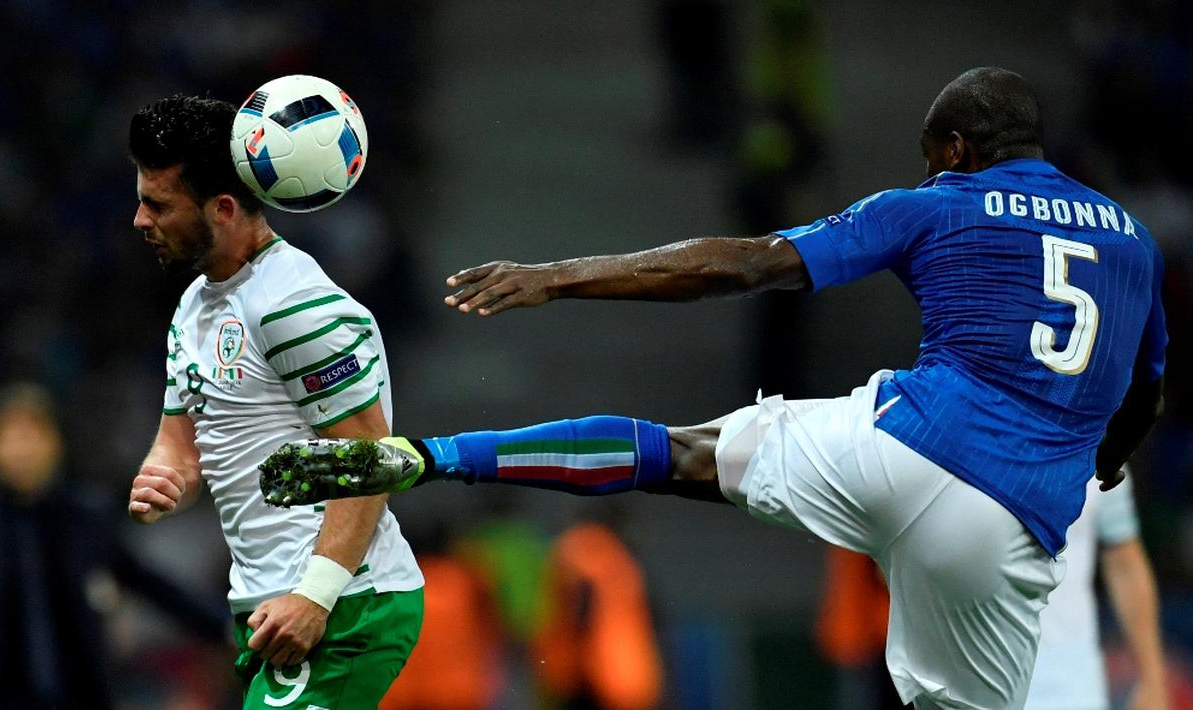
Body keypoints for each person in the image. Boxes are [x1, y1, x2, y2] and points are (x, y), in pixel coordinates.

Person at [258, 67, 1167, 709]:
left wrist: (558, 275)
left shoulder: (936, 202)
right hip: (1014, 520)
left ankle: (433, 455)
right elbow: (1140, 395)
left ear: (956, 148)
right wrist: (1107, 466)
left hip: (909, 443)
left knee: (681, 452)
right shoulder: (1134, 244)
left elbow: (745, 266)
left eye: (933, 157)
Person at [126, 94, 424, 709]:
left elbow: (371, 458)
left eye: (158, 204)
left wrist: (315, 597)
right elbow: (181, 442)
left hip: (343, 604)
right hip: (268, 604)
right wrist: (164, 477)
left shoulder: (293, 304)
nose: (139, 219)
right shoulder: (193, 306)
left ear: (225, 208)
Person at [0, 383, 229, 710]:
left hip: (77, 695)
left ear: (57, 443)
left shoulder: (84, 517)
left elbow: (151, 583)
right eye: (13, 436)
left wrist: (226, 626)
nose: (25, 448)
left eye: (36, 434)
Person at [1024, 472, 1169, 710]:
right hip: (973, 670)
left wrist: (1152, 679)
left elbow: (1124, 562)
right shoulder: (959, 439)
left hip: (1070, 679)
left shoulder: (1100, 446)